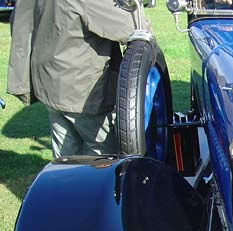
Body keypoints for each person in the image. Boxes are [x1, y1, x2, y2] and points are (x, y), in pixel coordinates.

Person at [7, 0, 146, 157]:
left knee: (64, 155)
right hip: (81, 87)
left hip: (50, 79)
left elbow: (19, 22)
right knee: (104, 154)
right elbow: (130, 28)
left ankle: (65, 179)